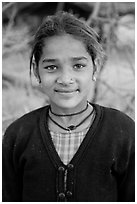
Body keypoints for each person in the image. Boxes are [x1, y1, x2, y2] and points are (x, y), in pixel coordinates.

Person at [2, 11, 135, 202]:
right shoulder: (19, 135)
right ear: (36, 71)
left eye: (78, 66)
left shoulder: (123, 131)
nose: (65, 79)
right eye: (51, 67)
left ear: (95, 67)